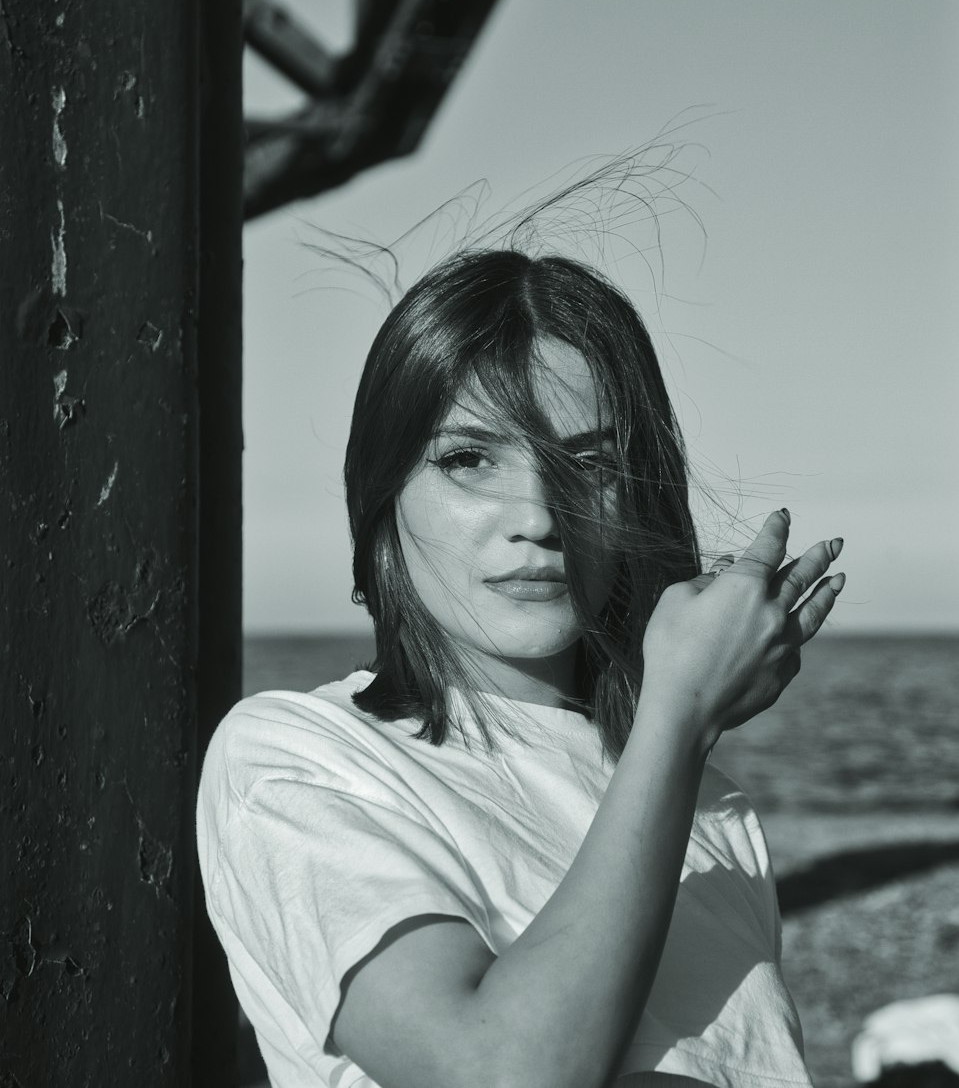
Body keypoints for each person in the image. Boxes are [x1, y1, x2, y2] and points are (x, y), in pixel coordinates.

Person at [196, 247, 846, 1088]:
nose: (539, 515)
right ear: (382, 493)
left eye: (590, 463)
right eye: (469, 459)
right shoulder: (297, 759)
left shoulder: (708, 806)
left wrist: (670, 741)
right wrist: (678, 718)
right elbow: (494, 1071)